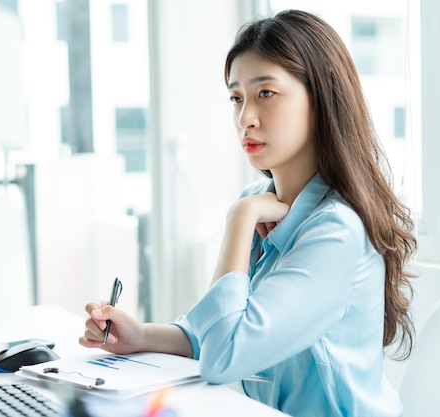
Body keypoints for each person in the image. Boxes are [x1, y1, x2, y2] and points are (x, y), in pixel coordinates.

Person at [79, 9, 417, 417]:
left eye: (265, 94)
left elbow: (224, 357)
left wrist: (239, 219)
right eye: (237, 97)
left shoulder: (335, 230)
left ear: (320, 99)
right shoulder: (261, 199)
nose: (245, 118)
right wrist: (141, 336)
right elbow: (214, 329)